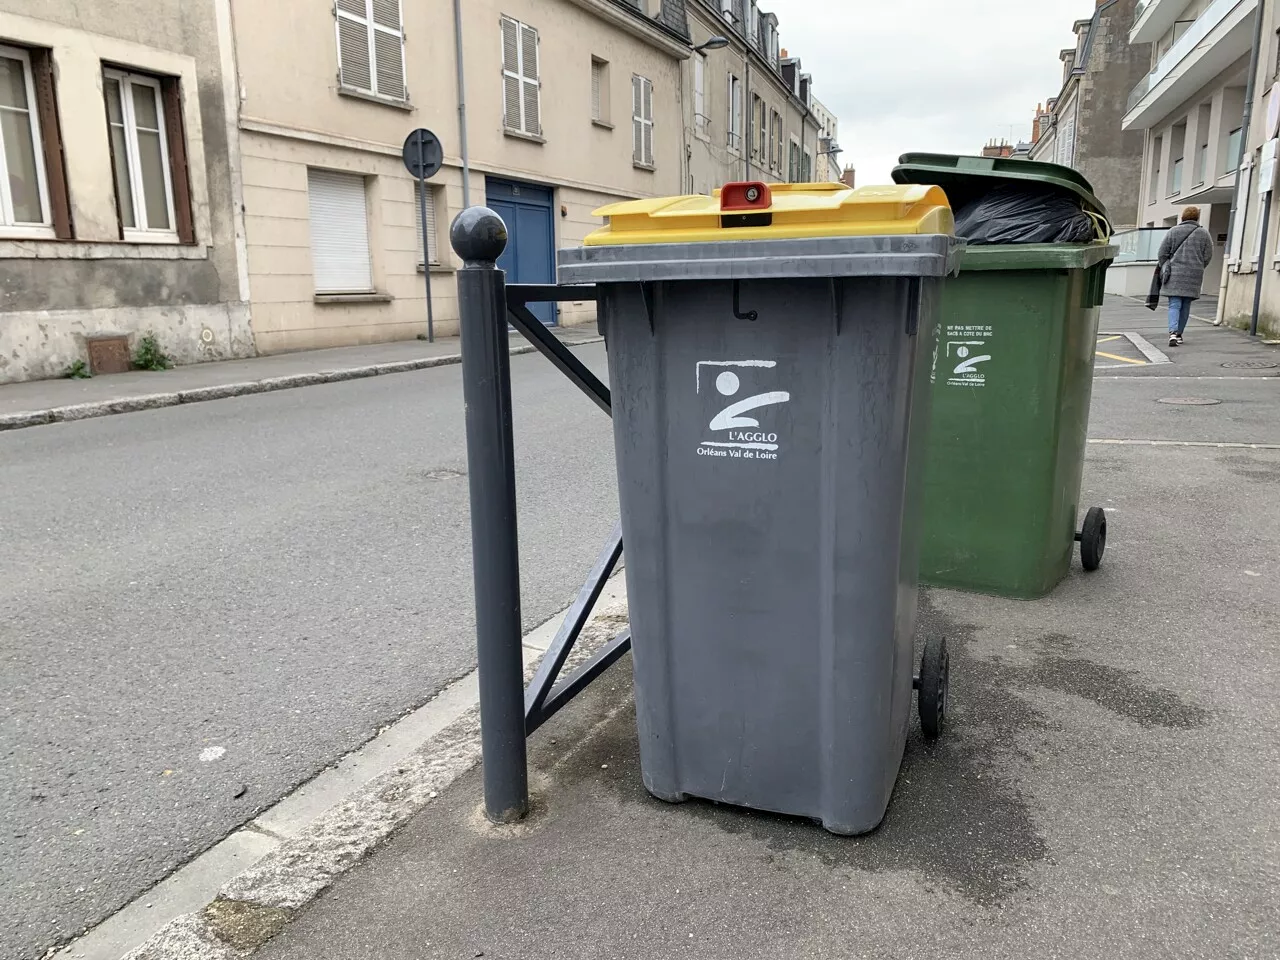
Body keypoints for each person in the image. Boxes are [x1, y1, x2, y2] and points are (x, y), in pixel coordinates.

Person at [1157, 207, 1214, 347]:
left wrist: (1166, 265)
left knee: (1174, 304)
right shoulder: (1204, 234)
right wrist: (1199, 266)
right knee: (1186, 305)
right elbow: (1208, 255)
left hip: (1174, 274)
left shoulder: (1173, 231)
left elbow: (1162, 253)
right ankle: (1180, 334)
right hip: (1194, 274)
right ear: (1197, 218)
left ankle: (1172, 333)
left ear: (1182, 217)